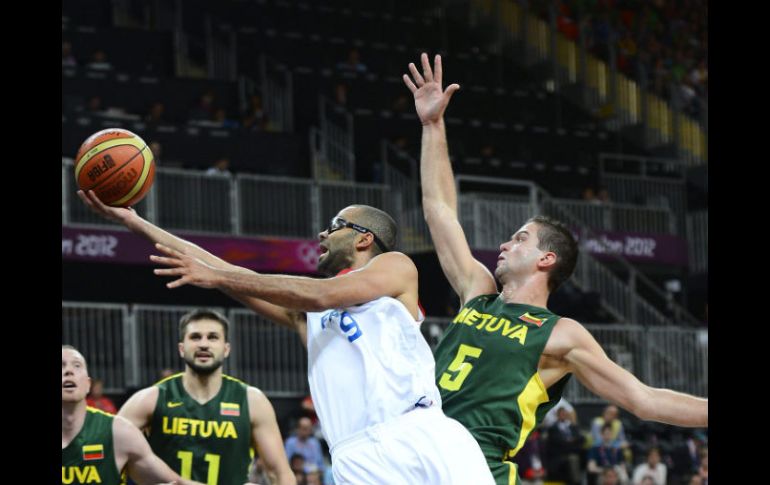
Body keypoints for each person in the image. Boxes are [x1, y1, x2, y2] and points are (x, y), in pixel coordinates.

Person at [402, 52, 708, 484]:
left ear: (547, 259)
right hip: (414, 449)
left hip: (474, 466)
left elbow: (644, 399)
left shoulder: (561, 333)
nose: (506, 243)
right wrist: (432, 126)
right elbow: (439, 211)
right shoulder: (478, 290)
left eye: (521, 238)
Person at [77, 190, 494, 484]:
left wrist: (219, 276)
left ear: (365, 238)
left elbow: (324, 293)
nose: (322, 236)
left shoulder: (396, 268)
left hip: (418, 430)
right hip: (354, 455)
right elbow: (217, 268)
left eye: (335, 226)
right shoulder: (305, 314)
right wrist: (134, 222)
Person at [117, 309, 295, 485]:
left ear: (226, 349)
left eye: (212, 337)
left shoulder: (252, 401)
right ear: (181, 348)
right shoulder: (151, 398)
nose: (204, 344)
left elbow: (280, 473)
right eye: (195, 337)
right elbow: (109, 454)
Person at [62, 345, 204, 485]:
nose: (69, 371)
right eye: (62, 365)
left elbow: (177, 482)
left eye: (76, 365)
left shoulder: (118, 432)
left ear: (88, 385)